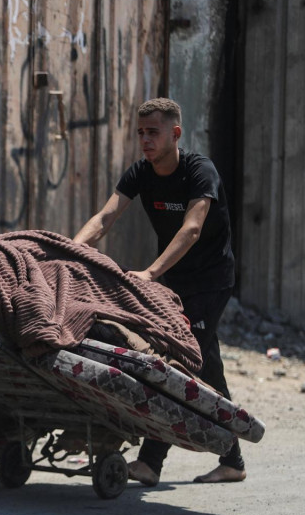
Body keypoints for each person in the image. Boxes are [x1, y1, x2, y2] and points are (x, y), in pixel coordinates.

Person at [72, 98, 246, 486]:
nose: (145, 141)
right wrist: (70, 251)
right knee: (203, 361)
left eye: (153, 132)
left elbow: (192, 229)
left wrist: (150, 273)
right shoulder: (141, 173)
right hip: (174, 281)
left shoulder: (200, 171)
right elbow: (104, 217)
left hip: (211, 280)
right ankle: (231, 459)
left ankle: (153, 461)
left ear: (175, 134)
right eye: (141, 133)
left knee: (185, 360)